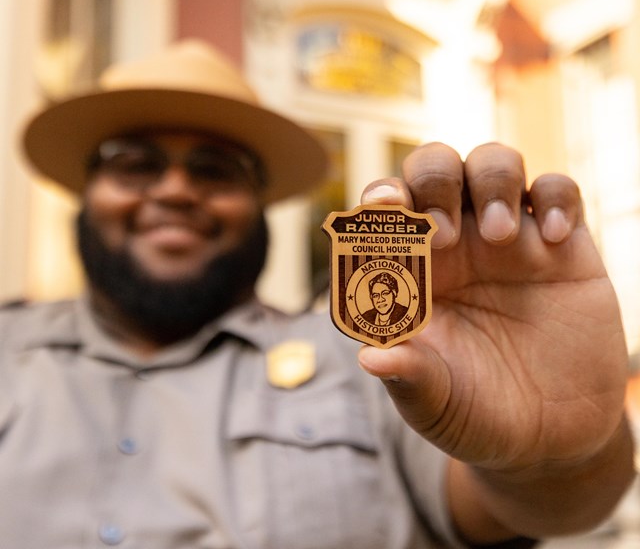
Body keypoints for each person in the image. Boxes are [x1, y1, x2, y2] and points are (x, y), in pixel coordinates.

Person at [0, 39, 634, 549]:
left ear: (259, 205)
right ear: (88, 194)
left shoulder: (383, 361)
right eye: (133, 163)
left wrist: (556, 457)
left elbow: (523, 503)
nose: (173, 191)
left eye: (214, 170)